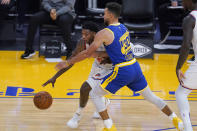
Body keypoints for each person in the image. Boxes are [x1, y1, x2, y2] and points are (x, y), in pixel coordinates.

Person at [55, 2, 184, 131]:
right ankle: (175, 119)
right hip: (135, 67)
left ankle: (109, 127)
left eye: (105, 13)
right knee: (151, 97)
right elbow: (116, 49)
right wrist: (98, 54)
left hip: (123, 70)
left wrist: (68, 62)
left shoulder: (104, 33)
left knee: (94, 94)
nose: (103, 15)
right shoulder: (124, 28)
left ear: (110, 15)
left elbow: (86, 53)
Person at [42, 21, 112, 128]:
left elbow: (117, 55)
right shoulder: (82, 43)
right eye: (82, 34)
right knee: (86, 89)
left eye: (86, 34)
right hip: (97, 66)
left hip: (111, 68)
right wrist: (54, 77)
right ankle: (103, 102)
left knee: (88, 89)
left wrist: (107, 58)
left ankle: (77, 116)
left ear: (94, 33)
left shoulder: (106, 40)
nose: (83, 37)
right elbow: (71, 61)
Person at [175, 0, 197, 130]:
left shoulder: (190, 19)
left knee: (181, 93)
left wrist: (178, 67)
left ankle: (188, 128)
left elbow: (186, 45)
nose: (181, 2)